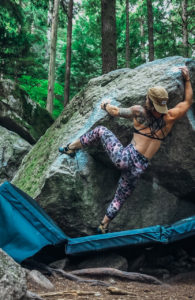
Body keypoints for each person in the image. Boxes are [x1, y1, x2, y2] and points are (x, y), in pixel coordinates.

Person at [60, 66, 193, 234]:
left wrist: (105, 105)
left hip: (124, 158)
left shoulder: (139, 112)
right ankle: (104, 224)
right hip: (139, 168)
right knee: (120, 197)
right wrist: (187, 79)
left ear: (149, 101)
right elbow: (188, 101)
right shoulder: (170, 117)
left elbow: (115, 111)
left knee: (101, 131)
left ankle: (70, 148)